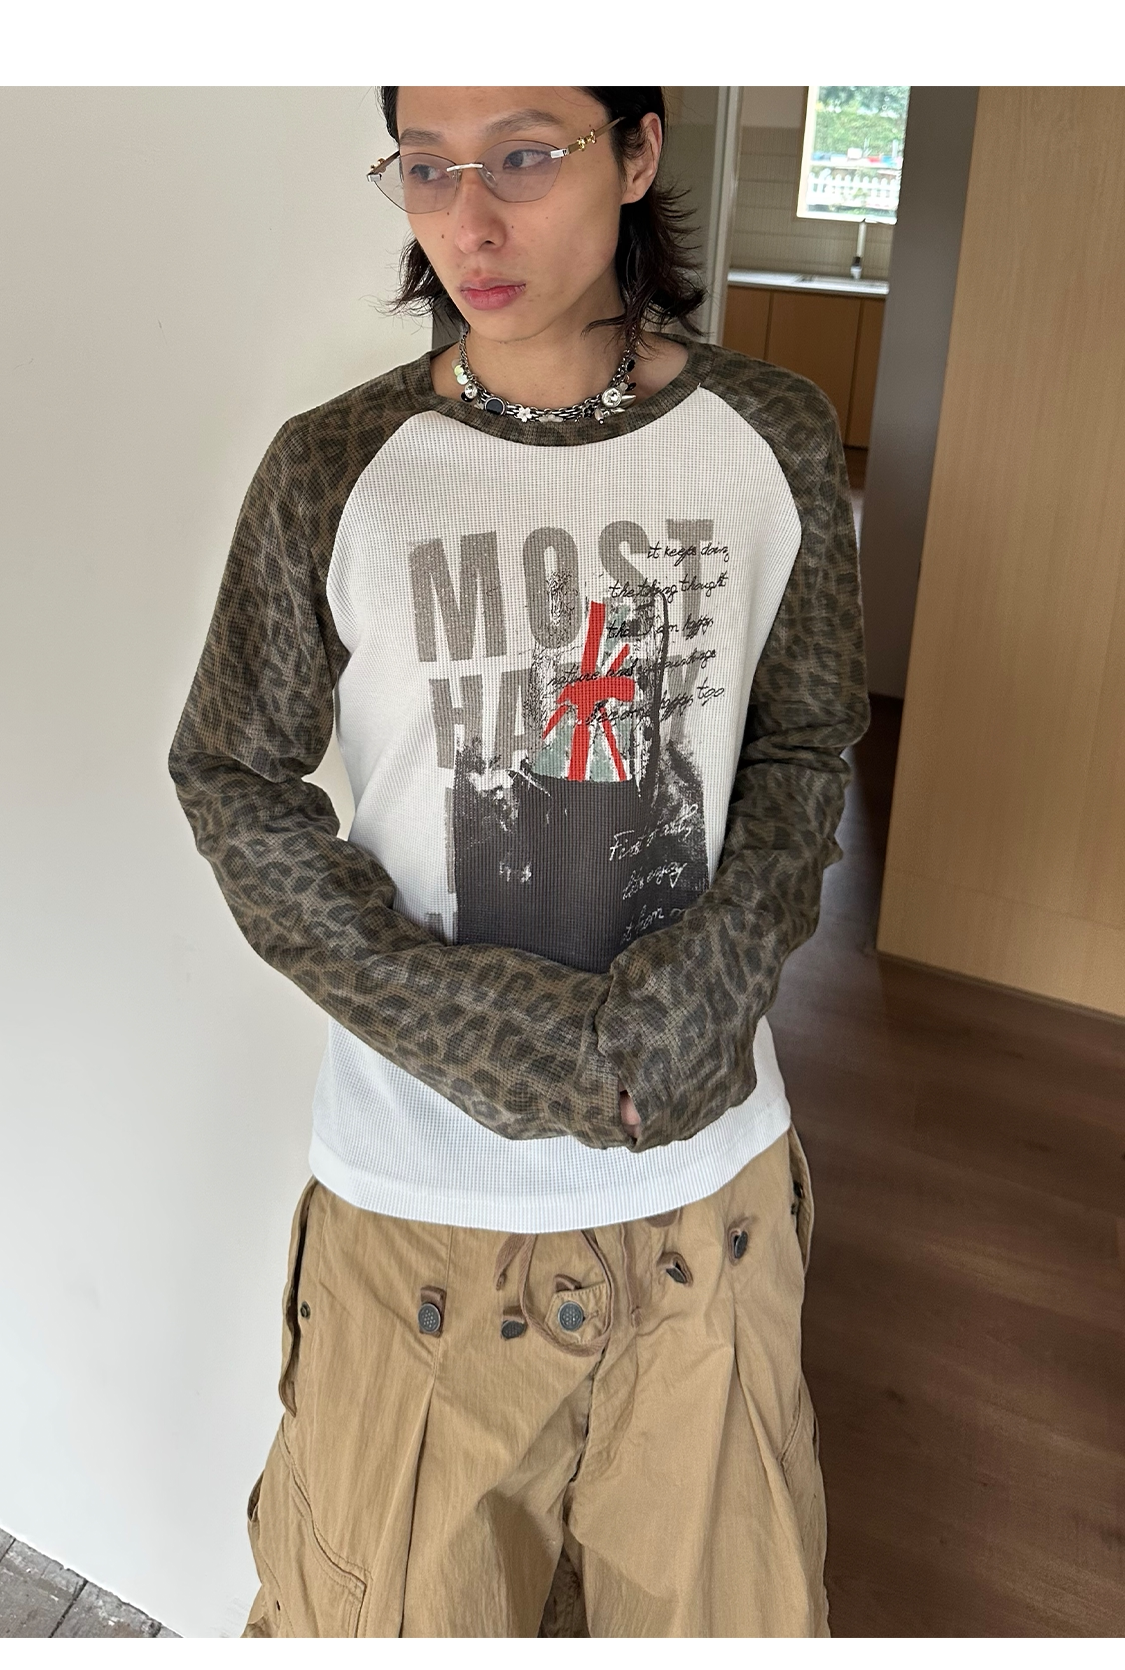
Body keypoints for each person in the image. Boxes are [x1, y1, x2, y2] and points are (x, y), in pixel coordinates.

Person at [168, 84, 869, 1638]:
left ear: (638, 151)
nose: (468, 220)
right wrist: (497, 1034)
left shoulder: (771, 439)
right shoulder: (334, 468)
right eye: (426, 169)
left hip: (708, 1206)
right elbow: (231, 774)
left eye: (526, 155)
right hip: (421, 1223)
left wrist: (707, 988)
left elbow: (809, 740)